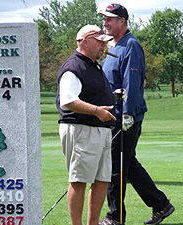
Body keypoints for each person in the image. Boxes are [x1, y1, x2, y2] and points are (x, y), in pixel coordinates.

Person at [98, 4, 175, 225]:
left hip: (123, 117)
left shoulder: (130, 45)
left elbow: (133, 82)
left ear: (122, 21)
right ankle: (161, 205)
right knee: (128, 163)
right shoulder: (112, 45)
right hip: (113, 114)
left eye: (109, 19)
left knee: (116, 166)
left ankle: (115, 217)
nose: (105, 23)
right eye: (104, 19)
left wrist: (128, 114)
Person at [56, 24, 117, 225]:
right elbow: (67, 100)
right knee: (79, 180)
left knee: (102, 180)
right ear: (85, 41)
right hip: (82, 129)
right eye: (100, 42)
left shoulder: (93, 64)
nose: (104, 47)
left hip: (99, 129)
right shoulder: (74, 66)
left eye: (104, 42)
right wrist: (96, 110)